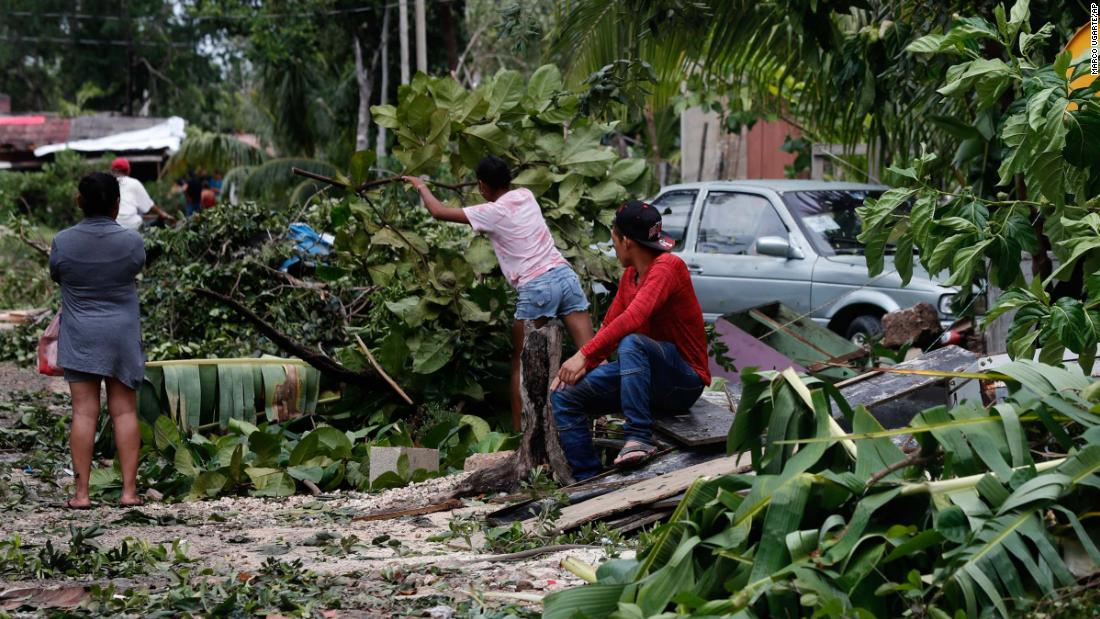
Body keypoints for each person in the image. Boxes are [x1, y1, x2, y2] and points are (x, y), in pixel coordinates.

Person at [402, 155, 595, 429]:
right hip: (565, 277)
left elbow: (438, 212)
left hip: (537, 287)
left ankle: (517, 436)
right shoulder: (526, 195)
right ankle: (610, 419)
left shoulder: (490, 213)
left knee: (521, 365)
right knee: (591, 354)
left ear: (482, 185)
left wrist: (420, 185)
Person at [550, 200, 711, 481]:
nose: (614, 248)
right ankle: (589, 479)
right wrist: (583, 366)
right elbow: (610, 325)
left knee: (632, 343)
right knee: (564, 394)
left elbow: (635, 317)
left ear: (625, 241)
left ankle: (638, 437)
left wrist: (583, 355)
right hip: (645, 378)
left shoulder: (668, 267)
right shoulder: (630, 277)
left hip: (684, 381)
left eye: (614, 240)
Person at [49, 172, 146, 508]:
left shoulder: (63, 241)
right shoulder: (132, 242)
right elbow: (134, 268)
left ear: (80, 201)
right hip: (121, 334)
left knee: (83, 412)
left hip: (81, 334)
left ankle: (81, 495)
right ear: (117, 204)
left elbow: (57, 273)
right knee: (124, 411)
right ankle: (129, 493)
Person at [109, 157, 175, 230]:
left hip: (112, 225)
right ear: (128, 171)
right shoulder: (134, 183)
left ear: (112, 170)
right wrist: (164, 214)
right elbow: (150, 205)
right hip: (132, 226)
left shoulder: (108, 183)